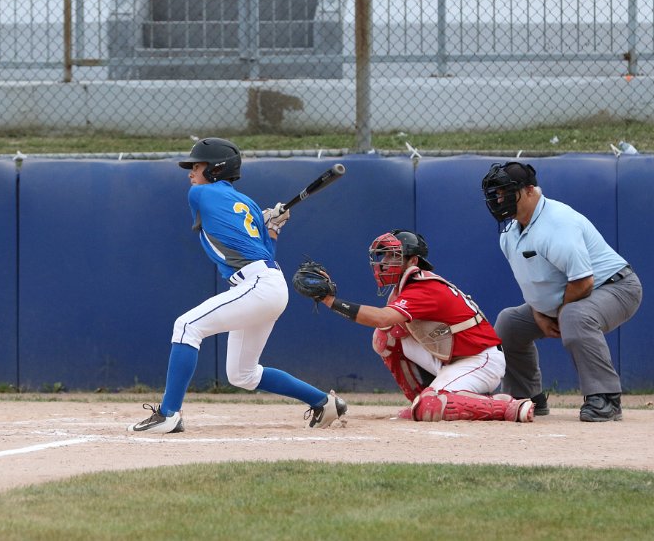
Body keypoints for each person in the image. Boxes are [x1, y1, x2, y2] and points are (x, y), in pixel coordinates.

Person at [128, 137, 347, 433]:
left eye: (197, 166)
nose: (191, 173)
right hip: (268, 284)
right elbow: (266, 251)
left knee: (186, 326)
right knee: (242, 374)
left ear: (216, 169)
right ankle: (323, 402)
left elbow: (229, 229)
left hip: (258, 284)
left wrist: (266, 221)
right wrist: (271, 226)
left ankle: (168, 415)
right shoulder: (250, 205)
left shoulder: (199, 193)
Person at [294, 230, 535, 422]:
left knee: (431, 403)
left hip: (480, 360)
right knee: (385, 337)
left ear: (413, 261)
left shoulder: (423, 287)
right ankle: (420, 400)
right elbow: (386, 328)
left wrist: (331, 301)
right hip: (453, 357)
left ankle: (506, 406)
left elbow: (381, 317)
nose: (385, 262)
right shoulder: (403, 288)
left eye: (393, 256)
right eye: (384, 256)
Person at [481, 161, 643, 422]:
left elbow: (583, 282)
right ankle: (527, 397)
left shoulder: (557, 223)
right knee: (509, 323)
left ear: (530, 190)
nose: (500, 200)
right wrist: (539, 313)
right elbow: (532, 283)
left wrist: (556, 313)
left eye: (507, 192)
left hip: (616, 287)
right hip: (571, 296)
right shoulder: (509, 234)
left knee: (574, 316)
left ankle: (606, 398)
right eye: (497, 194)